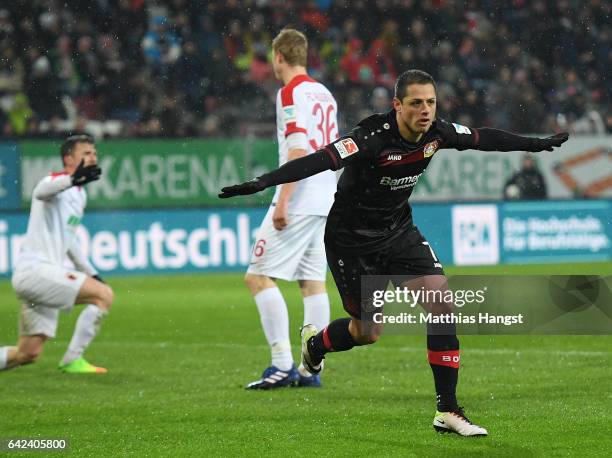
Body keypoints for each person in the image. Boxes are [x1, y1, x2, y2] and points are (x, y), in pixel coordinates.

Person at [220, 70, 569, 435]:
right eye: (416, 103)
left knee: (441, 302)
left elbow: (482, 138)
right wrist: (265, 181)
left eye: (431, 102)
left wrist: (534, 144)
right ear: (397, 105)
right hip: (351, 242)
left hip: (398, 232)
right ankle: (315, 344)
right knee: (367, 332)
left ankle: (447, 410)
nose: (426, 110)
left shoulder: (438, 132)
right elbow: (320, 159)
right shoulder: (369, 137)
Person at [243, 29, 339, 389]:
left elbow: (298, 151)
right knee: (312, 284)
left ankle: (282, 364)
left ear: (278, 57)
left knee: (257, 276)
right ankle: (311, 370)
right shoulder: (325, 94)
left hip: (299, 197)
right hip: (325, 196)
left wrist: (283, 199)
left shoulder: (290, 92)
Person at [0, 134, 113, 374]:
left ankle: (70, 360)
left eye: (94, 153)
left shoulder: (79, 194)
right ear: (68, 158)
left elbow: (69, 239)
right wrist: (72, 179)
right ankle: (73, 359)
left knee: (27, 353)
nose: (92, 157)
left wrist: (92, 273)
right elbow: (40, 191)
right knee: (103, 296)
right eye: (86, 153)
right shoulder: (57, 181)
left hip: (41, 275)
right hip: (36, 271)